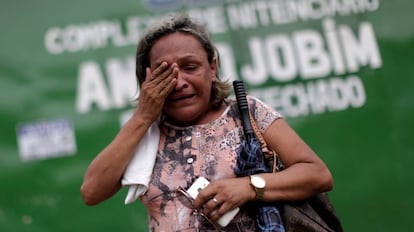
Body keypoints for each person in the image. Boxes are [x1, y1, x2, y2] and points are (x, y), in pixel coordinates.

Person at [80, 13, 333, 231]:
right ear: (146, 78)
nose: (179, 83)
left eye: (190, 67)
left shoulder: (247, 113)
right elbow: (91, 192)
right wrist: (143, 116)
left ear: (212, 67)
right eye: (164, 72)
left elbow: (317, 175)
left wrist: (248, 187)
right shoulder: (144, 132)